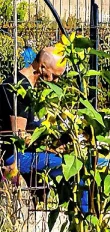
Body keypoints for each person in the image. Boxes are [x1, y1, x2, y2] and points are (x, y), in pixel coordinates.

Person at [0, 44, 66, 185]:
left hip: (28, 153)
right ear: (42, 67)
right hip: (15, 156)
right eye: (54, 76)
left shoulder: (31, 87)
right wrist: (49, 146)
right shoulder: (20, 90)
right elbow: (19, 136)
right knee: (77, 167)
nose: (56, 81)